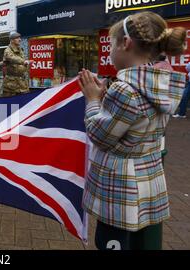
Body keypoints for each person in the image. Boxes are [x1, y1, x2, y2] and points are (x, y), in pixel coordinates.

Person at [78, 11, 186, 250]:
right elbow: (136, 123)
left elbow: (99, 134)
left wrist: (93, 100)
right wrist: (106, 97)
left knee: (112, 242)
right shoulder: (159, 85)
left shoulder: (125, 90)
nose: (109, 51)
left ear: (125, 44)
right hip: (147, 181)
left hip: (120, 189)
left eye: (111, 44)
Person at [3, 32, 31, 97]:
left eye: (20, 38)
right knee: (10, 103)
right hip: (11, 82)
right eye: (17, 38)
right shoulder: (7, 50)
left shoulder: (20, 50)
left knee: (25, 101)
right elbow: (12, 58)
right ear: (12, 40)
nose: (20, 39)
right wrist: (24, 61)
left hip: (22, 81)